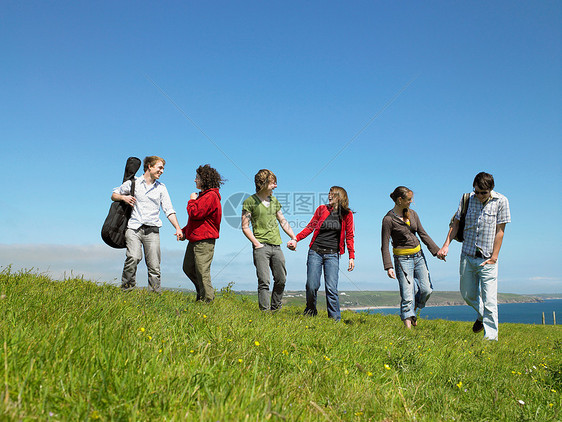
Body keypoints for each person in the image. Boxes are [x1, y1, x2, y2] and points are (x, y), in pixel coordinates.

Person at [437, 172, 510, 341]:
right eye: (476, 191)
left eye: (483, 193)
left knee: (490, 300)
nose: (479, 195)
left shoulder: (502, 201)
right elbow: (455, 223)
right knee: (467, 294)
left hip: (488, 258)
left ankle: (490, 339)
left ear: (491, 190)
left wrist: (494, 257)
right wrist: (446, 245)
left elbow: (500, 232)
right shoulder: (466, 199)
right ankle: (482, 316)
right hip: (467, 255)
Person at [111, 156, 182, 293]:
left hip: (152, 230)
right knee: (133, 257)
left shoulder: (161, 188)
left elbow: (169, 209)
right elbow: (114, 194)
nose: (162, 171)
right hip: (133, 228)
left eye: (163, 169)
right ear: (149, 166)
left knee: (154, 266)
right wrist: (123, 197)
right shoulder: (133, 183)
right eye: (159, 167)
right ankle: (127, 291)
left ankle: (154, 296)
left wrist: (177, 228)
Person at [287, 186, 355, 321]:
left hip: (332, 255)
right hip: (315, 252)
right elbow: (310, 227)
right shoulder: (321, 209)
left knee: (331, 288)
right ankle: (311, 311)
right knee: (312, 285)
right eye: (329, 193)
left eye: (333, 194)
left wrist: (351, 256)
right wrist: (296, 239)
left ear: (340, 197)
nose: (329, 196)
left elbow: (350, 236)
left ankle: (335, 320)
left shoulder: (347, 214)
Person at [381, 186, 443, 328]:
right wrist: (388, 266)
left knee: (427, 290)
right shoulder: (388, 220)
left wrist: (437, 251)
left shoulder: (413, 214)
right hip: (402, 260)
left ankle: (412, 311)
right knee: (407, 295)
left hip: (419, 256)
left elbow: (423, 233)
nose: (412, 202)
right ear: (399, 200)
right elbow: (384, 245)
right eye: (409, 199)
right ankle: (408, 330)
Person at [242, 169, 297, 311]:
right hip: (261, 247)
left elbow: (283, 221)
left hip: (276, 246)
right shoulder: (250, 202)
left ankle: (275, 310)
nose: (276, 186)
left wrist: (293, 237)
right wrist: (256, 244)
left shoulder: (274, 201)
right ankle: (265, 314)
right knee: (264, 281)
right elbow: (245, 226)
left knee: (281, 280)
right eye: (273, 183)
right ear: (264, 183)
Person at [179, 164, 225, 302]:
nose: (195, 180)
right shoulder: (204, 196)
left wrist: (191, 200)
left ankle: (208, 300)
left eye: (197, 177)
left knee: (202, 271)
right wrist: (185, 232)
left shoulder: (210, 196)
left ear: (204, 179)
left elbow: (195, 213)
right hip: (195, 239)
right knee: (188, 268)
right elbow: (196, 221)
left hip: (204, 240)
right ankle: (202, 294)